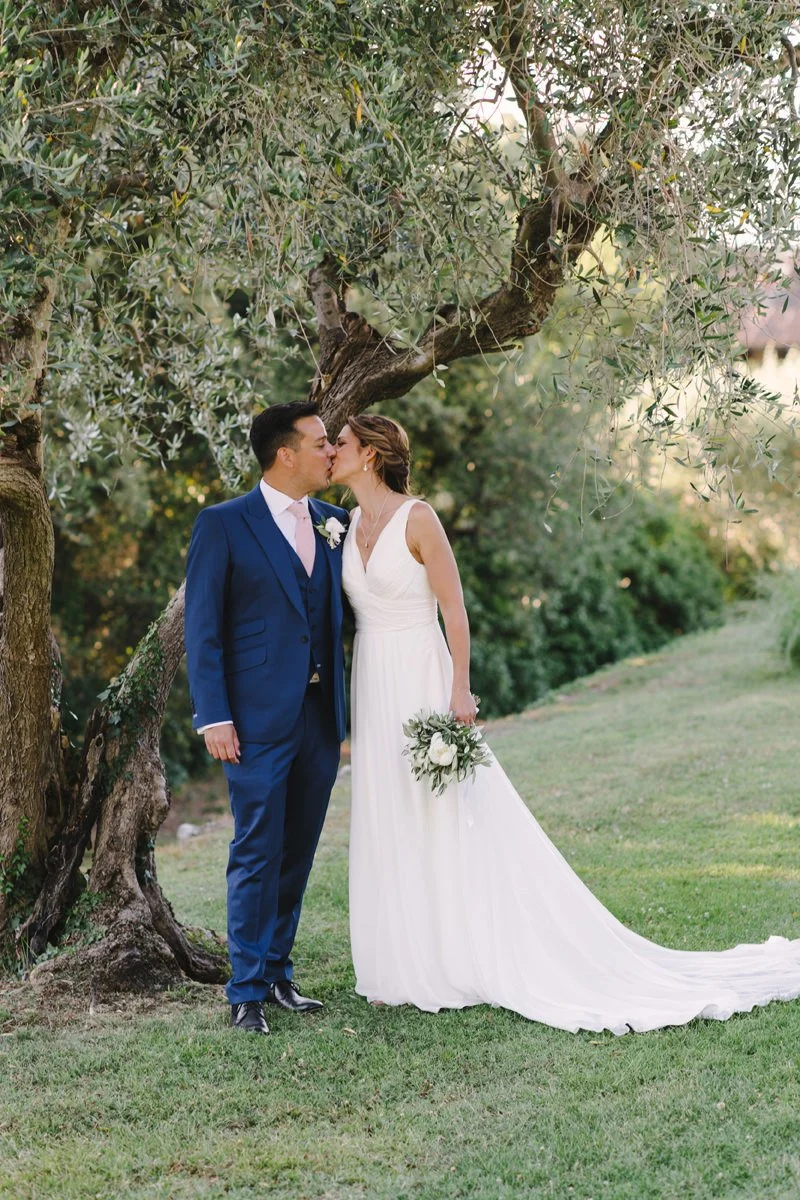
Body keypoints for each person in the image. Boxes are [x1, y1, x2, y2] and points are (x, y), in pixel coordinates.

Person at [331, 413, 800, 1034]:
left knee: (441, 809)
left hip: (419, 673)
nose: (330, 452)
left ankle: (454, 952)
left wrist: (460, 690)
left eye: (339, 444)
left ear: (368, 455)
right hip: (373, 680)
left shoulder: (418, 519)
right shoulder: (343, 525)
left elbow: (454, 608)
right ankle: (400, 961)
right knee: (389, 808)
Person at [185, 401, 348, 1036]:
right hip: (250, 720)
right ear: (286, 453)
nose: (330, 451)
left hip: (319, 716)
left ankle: (278, 973)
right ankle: (245, 989)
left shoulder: (335, 522)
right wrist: (214, 716)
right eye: (321, 443)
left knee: (299, 847)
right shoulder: (224, 524)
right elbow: (204, 631)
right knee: (257, 848)